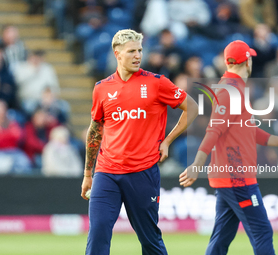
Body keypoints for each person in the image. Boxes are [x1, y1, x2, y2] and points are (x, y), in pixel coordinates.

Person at [179, 40, 278, 255]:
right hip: (237, 177)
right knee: (261, 231)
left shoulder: (233, 88)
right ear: (248, 61)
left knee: (221, 238)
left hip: (230, 177)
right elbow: (213, 130)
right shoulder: (231, 91)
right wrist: (197, 165)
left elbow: (249, 130)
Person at [80, 29, 198, 255]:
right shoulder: (102, 88)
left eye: (140, 50)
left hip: (142, 173)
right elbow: (95, 131)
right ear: (117, 54)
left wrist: (168, 140)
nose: (137, 55)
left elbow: (191, 107)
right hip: (106, 173)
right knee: (98, 232)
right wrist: (88, 174)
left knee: (150, 240)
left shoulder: (156, 83)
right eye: (131, 51)